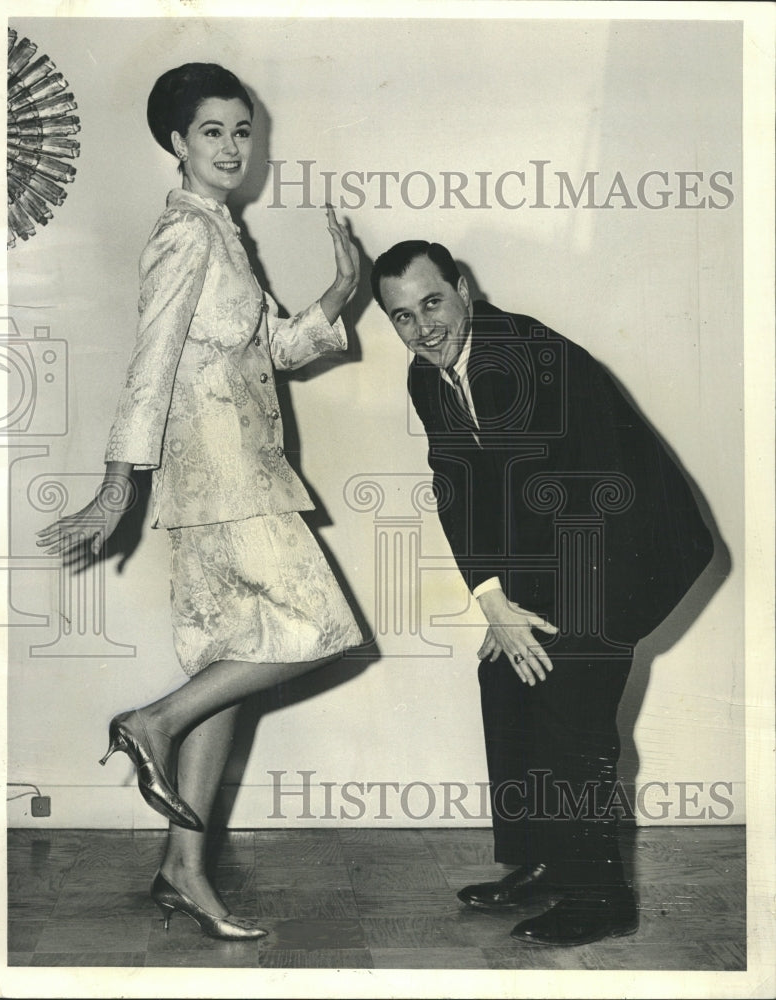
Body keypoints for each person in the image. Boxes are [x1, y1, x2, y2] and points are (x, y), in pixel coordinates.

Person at [37, 63, 362, 941]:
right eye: (211, 131)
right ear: (176, 142)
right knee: (317, 631)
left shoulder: (224, 234)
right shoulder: (185, 236)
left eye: (241, 130)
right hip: (223, 481)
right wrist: (116, 484)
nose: (231, 147)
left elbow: (277, 350)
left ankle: (183, 870)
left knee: (236, 671)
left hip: (236, 478)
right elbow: (150, 363)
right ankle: (151, 721)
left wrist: (342, 289)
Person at [370, 241, 714, 947]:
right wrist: (495, 600)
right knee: (504, 670)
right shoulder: (427, 376)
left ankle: (600, 896)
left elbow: (565, 498)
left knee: (566, 689)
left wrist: (526, 609)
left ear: (463, 287)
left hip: (633, 542)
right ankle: (552, 858)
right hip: (564, 540)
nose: (422, 327)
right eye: (402, 317)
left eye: (432, 302)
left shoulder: (522, 357)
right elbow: (462, 488)